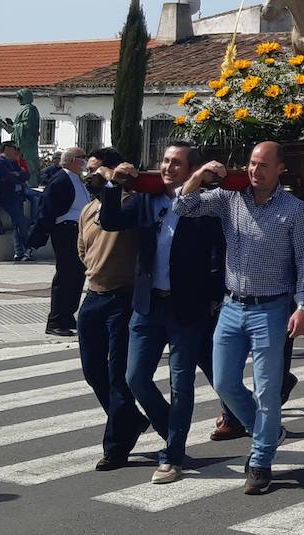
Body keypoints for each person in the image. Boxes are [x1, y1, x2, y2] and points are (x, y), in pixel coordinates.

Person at [175, 142, 304, 496]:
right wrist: (198, 175)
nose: (256, 171)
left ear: (279, 169)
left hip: (270, 308)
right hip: (231, 305)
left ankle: (260, 460)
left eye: (264, 165)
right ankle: (265, 431)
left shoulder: (293, 210)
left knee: (268, 390)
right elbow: (183, 205)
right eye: (252, 164)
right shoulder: (229, 199)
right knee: (224, 382)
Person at [97, 141, 226, 484]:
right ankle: (173, 431)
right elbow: (109, 221)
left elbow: (218, 251)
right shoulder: (145, 198)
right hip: (148, 304)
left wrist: (214, 296)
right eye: (166, 161)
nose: (168, 167)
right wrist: (112, 183)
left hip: (187, 306)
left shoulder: (205, 204)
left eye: (177, 163)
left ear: (191, 169)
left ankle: (172, 455)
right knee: (135, 378)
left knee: (181, 383)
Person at [75, 147, 151, 471]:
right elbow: (82, 251)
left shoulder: (129, 205)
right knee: (93, 372)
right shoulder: (87, 209)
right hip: (92, 297)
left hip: (122, 299)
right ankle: (130, 419)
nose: (88, 177)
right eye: (87, 171)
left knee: (117, 375)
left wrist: (121, 179)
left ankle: (116, 446)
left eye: (94, 170)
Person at [40, 147, 92, 336]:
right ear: (72, 160)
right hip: (65, 230)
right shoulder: (61, 179)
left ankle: (68, 315)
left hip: (77, 230)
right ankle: (55, 320)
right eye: (82, 158)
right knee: (65, 275)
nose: (85, 161)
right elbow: (48, 208)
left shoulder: (77, 179)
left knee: (77, 275)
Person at [0, 141, 33, 262]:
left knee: (18, 224)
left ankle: (19, 252)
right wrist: (16, 175)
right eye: (13, 148)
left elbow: (26, 175)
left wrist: (17, 174)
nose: (15, 151)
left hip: (18, 196)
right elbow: (7, 178)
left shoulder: (12, 162)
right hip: (8, 197)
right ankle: (27, 248)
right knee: (21, 222)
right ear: (6, 149)